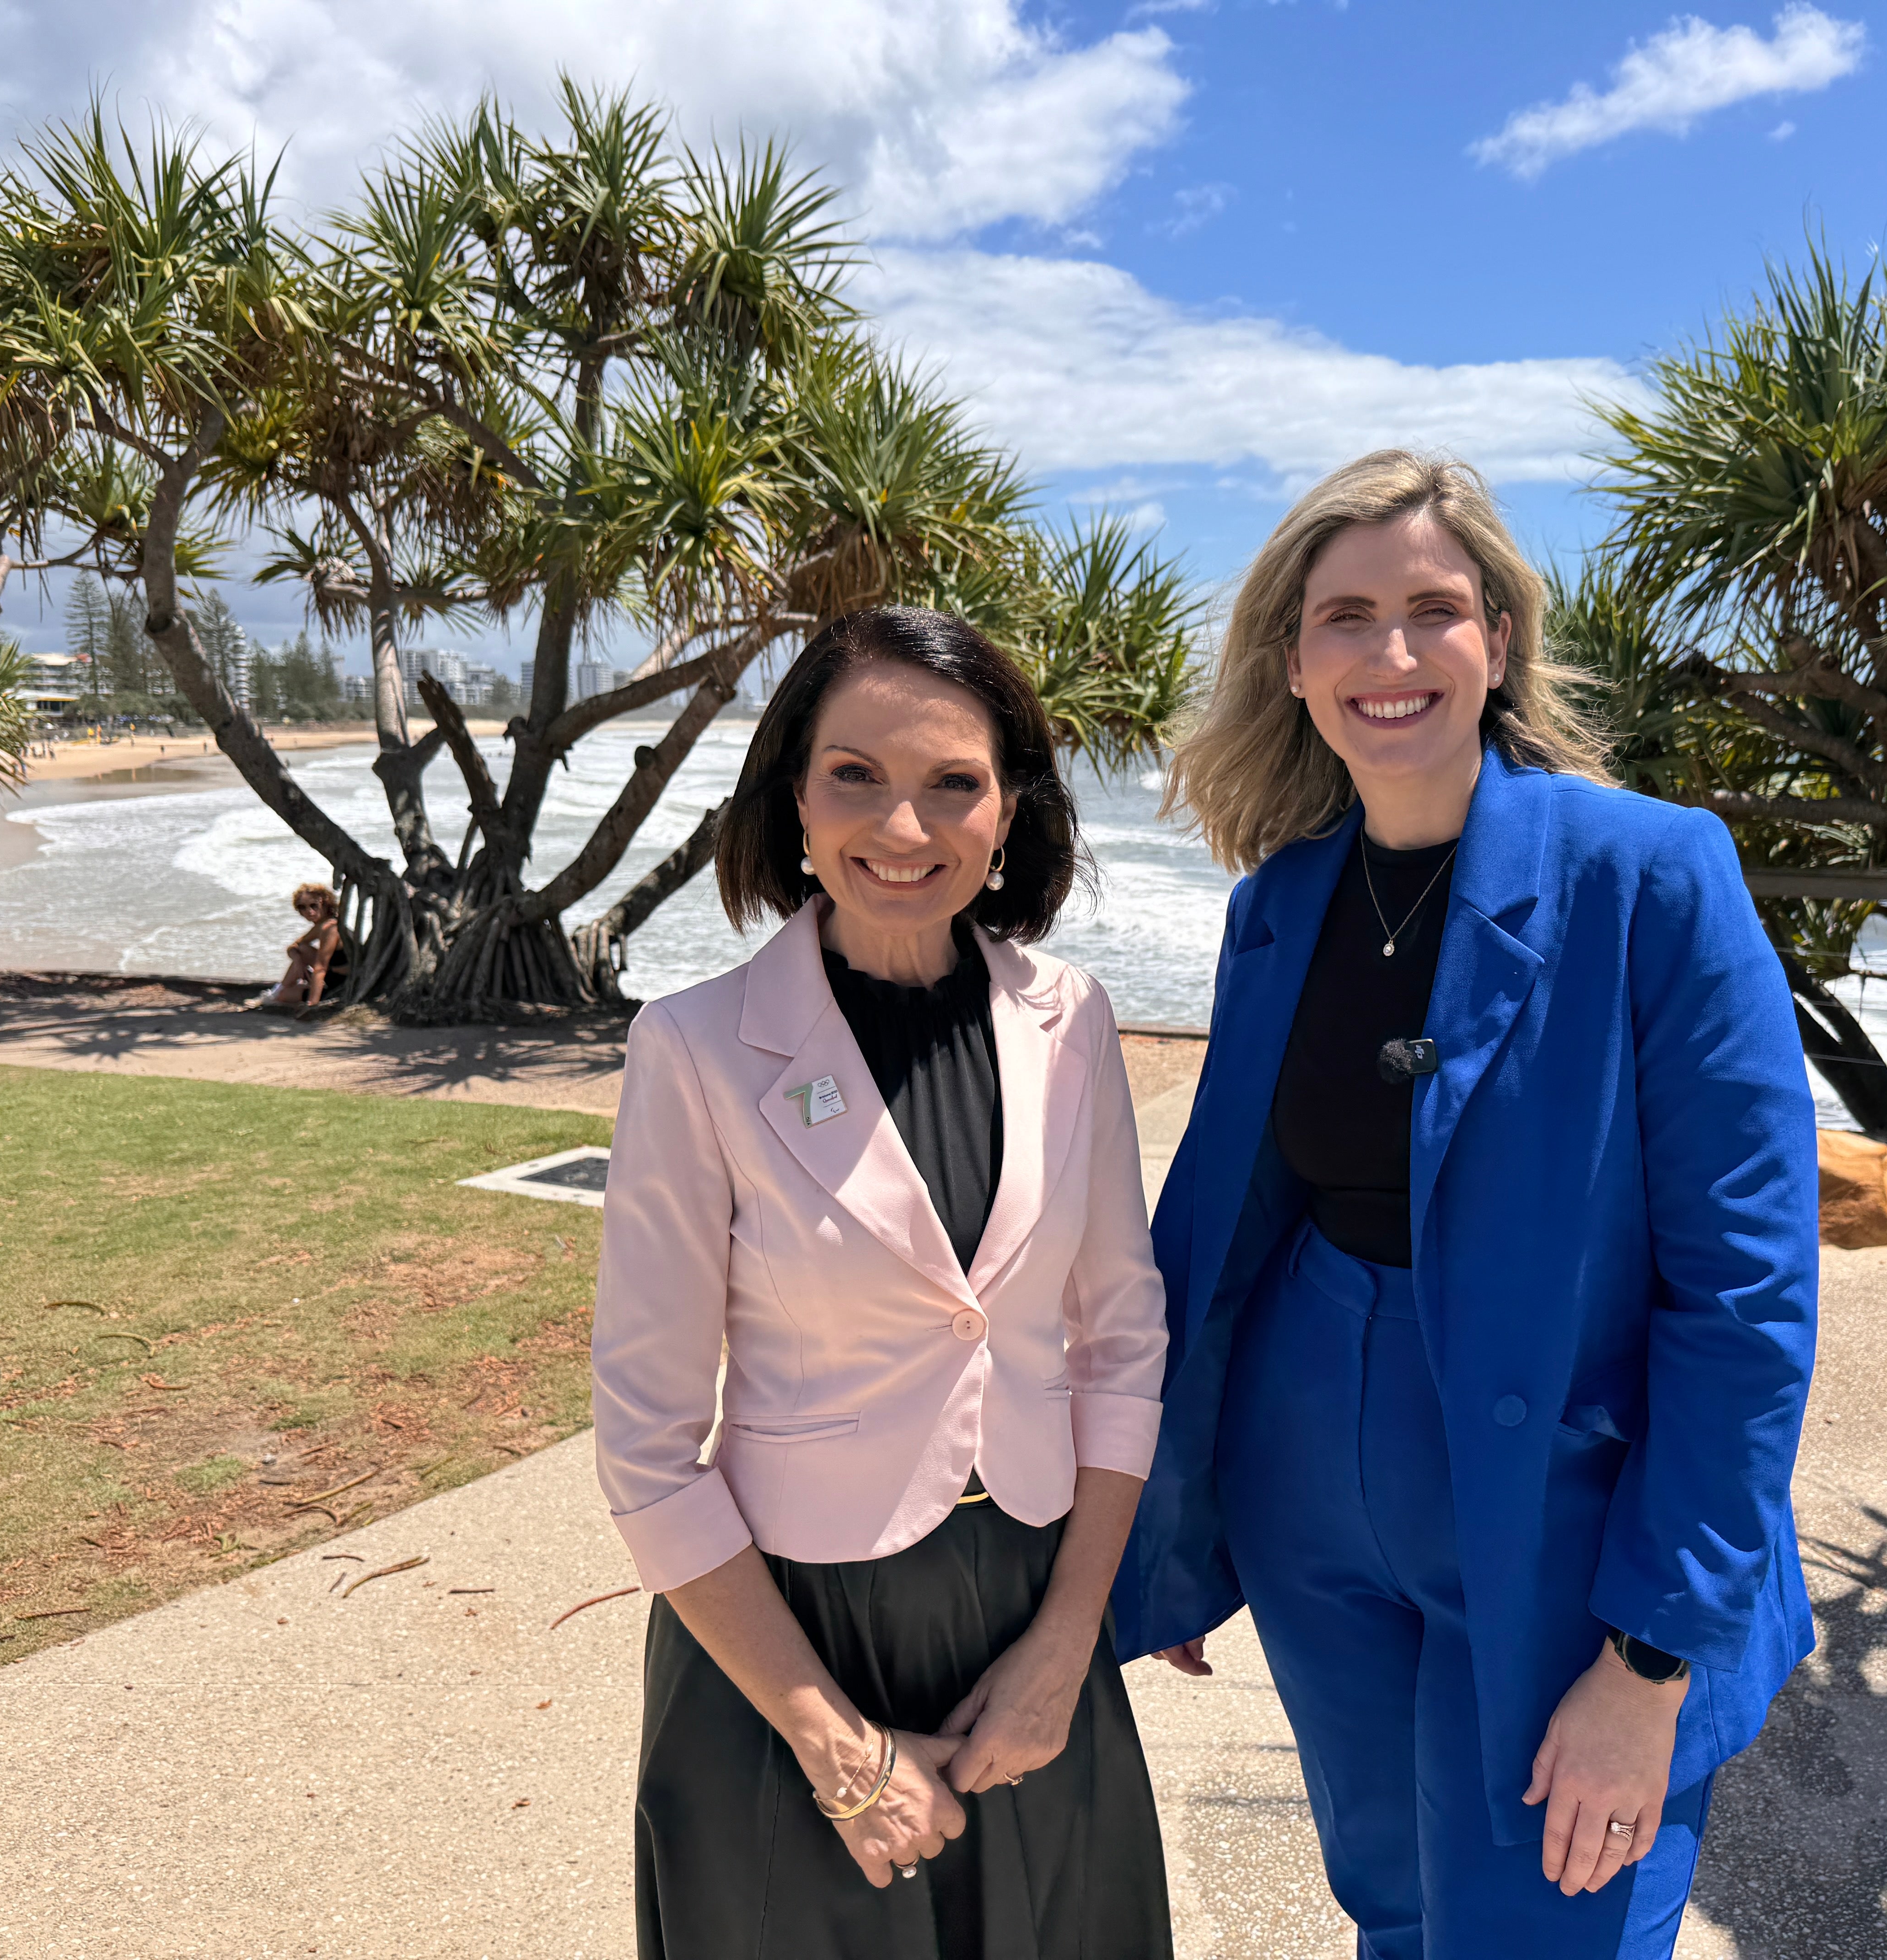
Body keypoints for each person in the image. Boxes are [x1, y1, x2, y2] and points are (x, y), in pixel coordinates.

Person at [1111, 452, 1818, 1958]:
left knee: (1545, 1925)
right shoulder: (1278, 903)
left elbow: (1747, 1296)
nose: (1393, 652)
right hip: (1307, 1465)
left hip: (1570, 1512)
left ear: (1498, 638)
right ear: (1292, 663)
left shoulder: (1653, 876)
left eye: (1434, 609)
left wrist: (1650, 1658)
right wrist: (1173, 1519)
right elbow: (1225, 1219)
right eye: (1348, 615)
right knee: (1397, 1903)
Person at [592, 606, 1176, 1960]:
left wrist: (1065, 1648)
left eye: (951, 784)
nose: (902, 830)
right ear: (791, 790)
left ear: (1009, 810)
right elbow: (646, 1446)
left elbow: (1119, 1352)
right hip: (787, 1646)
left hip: (1032, 1629)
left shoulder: (1071, 1022)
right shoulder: (692, 1049)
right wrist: (833, 1746)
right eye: (854, 774)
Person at [260, 883, 340, 1009]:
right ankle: (276, 993)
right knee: (302, 949)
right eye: (302, 907)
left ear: (325, 903)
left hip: (341, 986)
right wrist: (298, 961)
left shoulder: (330, 928)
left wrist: (312, 1004)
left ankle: (276, 994)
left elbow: (321, 968)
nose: (309, 912)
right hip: (333, 977)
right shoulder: (322, 925)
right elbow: (294, 947)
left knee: (284, 996)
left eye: (314, 906)